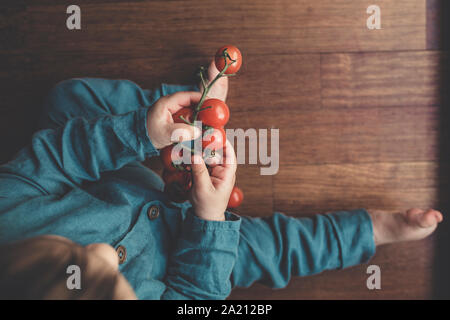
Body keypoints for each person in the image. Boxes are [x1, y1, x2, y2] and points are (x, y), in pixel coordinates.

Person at [0, 60, 443, 299]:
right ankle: (371, 230)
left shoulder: (7, 218)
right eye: (110, 282)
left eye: (70, 256)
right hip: (187, 251)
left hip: (108, 179)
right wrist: (209, 219)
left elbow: (56, 158)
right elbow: (195, 292)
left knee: (69, 99)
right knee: (271, 250)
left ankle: (187, 112)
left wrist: (140, 131)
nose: (100, 252)